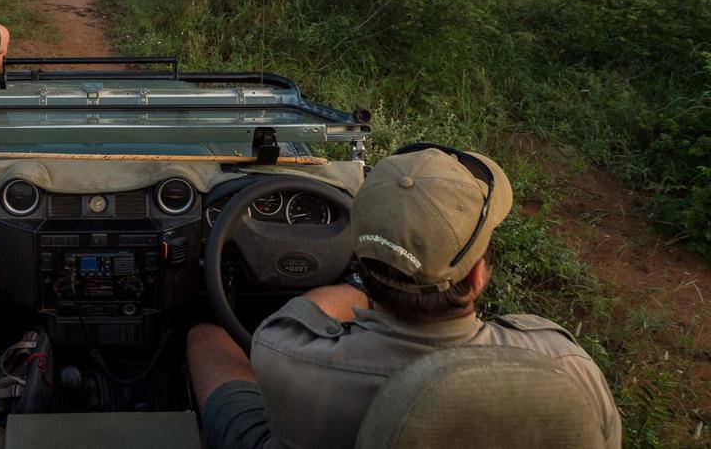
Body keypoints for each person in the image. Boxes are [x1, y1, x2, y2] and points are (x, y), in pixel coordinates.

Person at [187, 144, 621, 448]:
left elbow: (294, 318)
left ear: (358, 264)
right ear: (476, 278)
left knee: (205, 335)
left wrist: (349, 290)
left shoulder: (289, 355)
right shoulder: (566, 363)